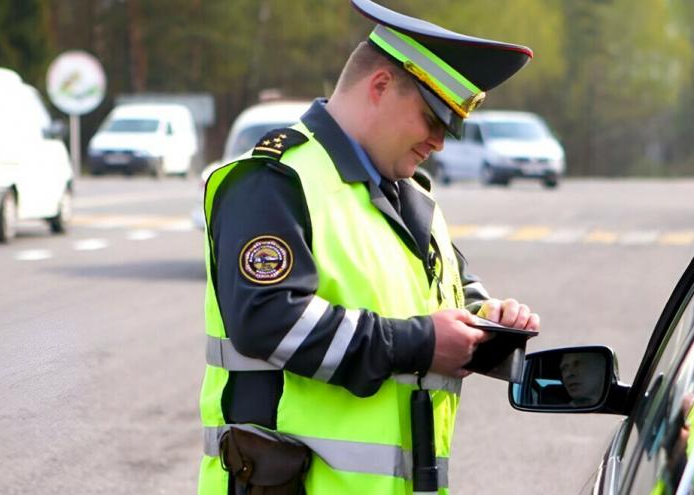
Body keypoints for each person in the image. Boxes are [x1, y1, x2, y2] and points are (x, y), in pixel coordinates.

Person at [198, 1, 537, 493]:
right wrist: (423, 343)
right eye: (432, 118)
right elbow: (268, 321)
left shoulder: (414, 198)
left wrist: (489, 321)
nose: (439, 142)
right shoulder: (274, 180)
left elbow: (448, 298)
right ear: (379, 86)